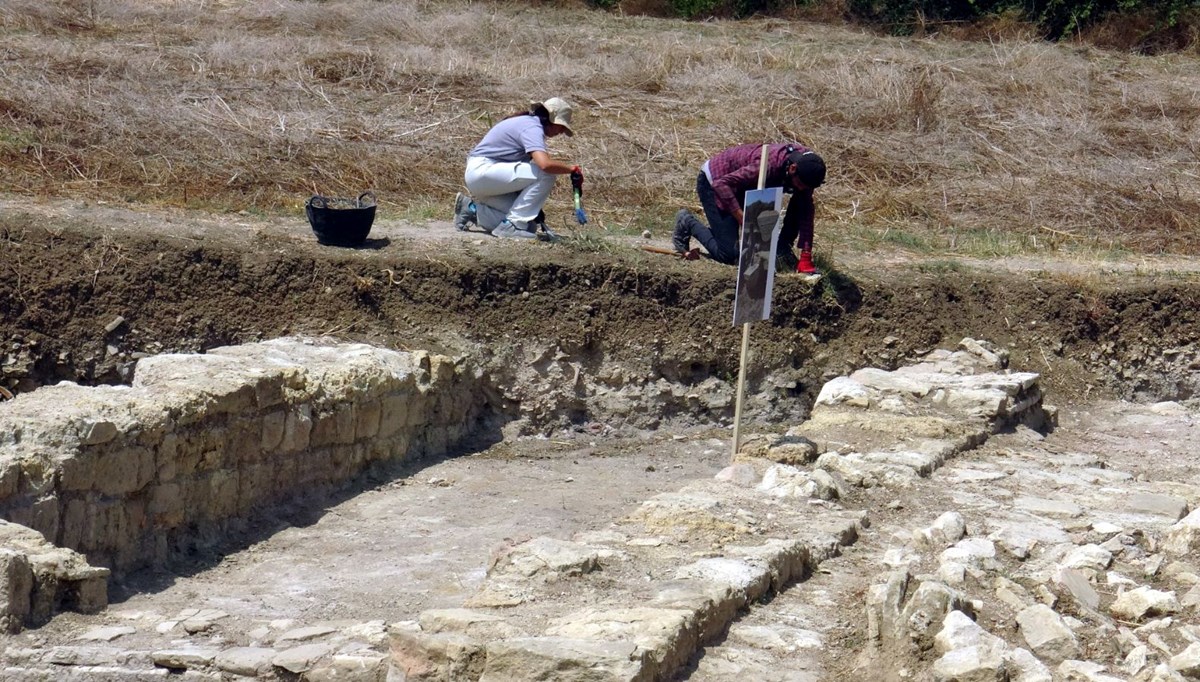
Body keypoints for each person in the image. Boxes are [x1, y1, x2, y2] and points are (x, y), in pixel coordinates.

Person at [673, 142, 826, 273]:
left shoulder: (808, 169)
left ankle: (782, 249)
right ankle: (687, 222)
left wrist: (806, 254)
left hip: (744, 186)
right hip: (715, 182)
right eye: (799, 184)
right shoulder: (767, 166)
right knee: (728, 254)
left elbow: (806, 210)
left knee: (801, 201)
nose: (801, 188)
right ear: (792, 169)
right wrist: (742, 218)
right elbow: (721, 184)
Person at [453, 97, 583, 240]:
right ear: (551, 118)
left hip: (485, 179)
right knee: (546, 175)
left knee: (529, 225)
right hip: (484, 171)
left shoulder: (527, 124)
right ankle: (512, 226)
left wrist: (531, 208)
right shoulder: (532, 127)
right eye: (561, 125)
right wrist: (572, 169)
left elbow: (518, 177)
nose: (562, 131)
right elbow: (545, 165)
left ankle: (471, 209)